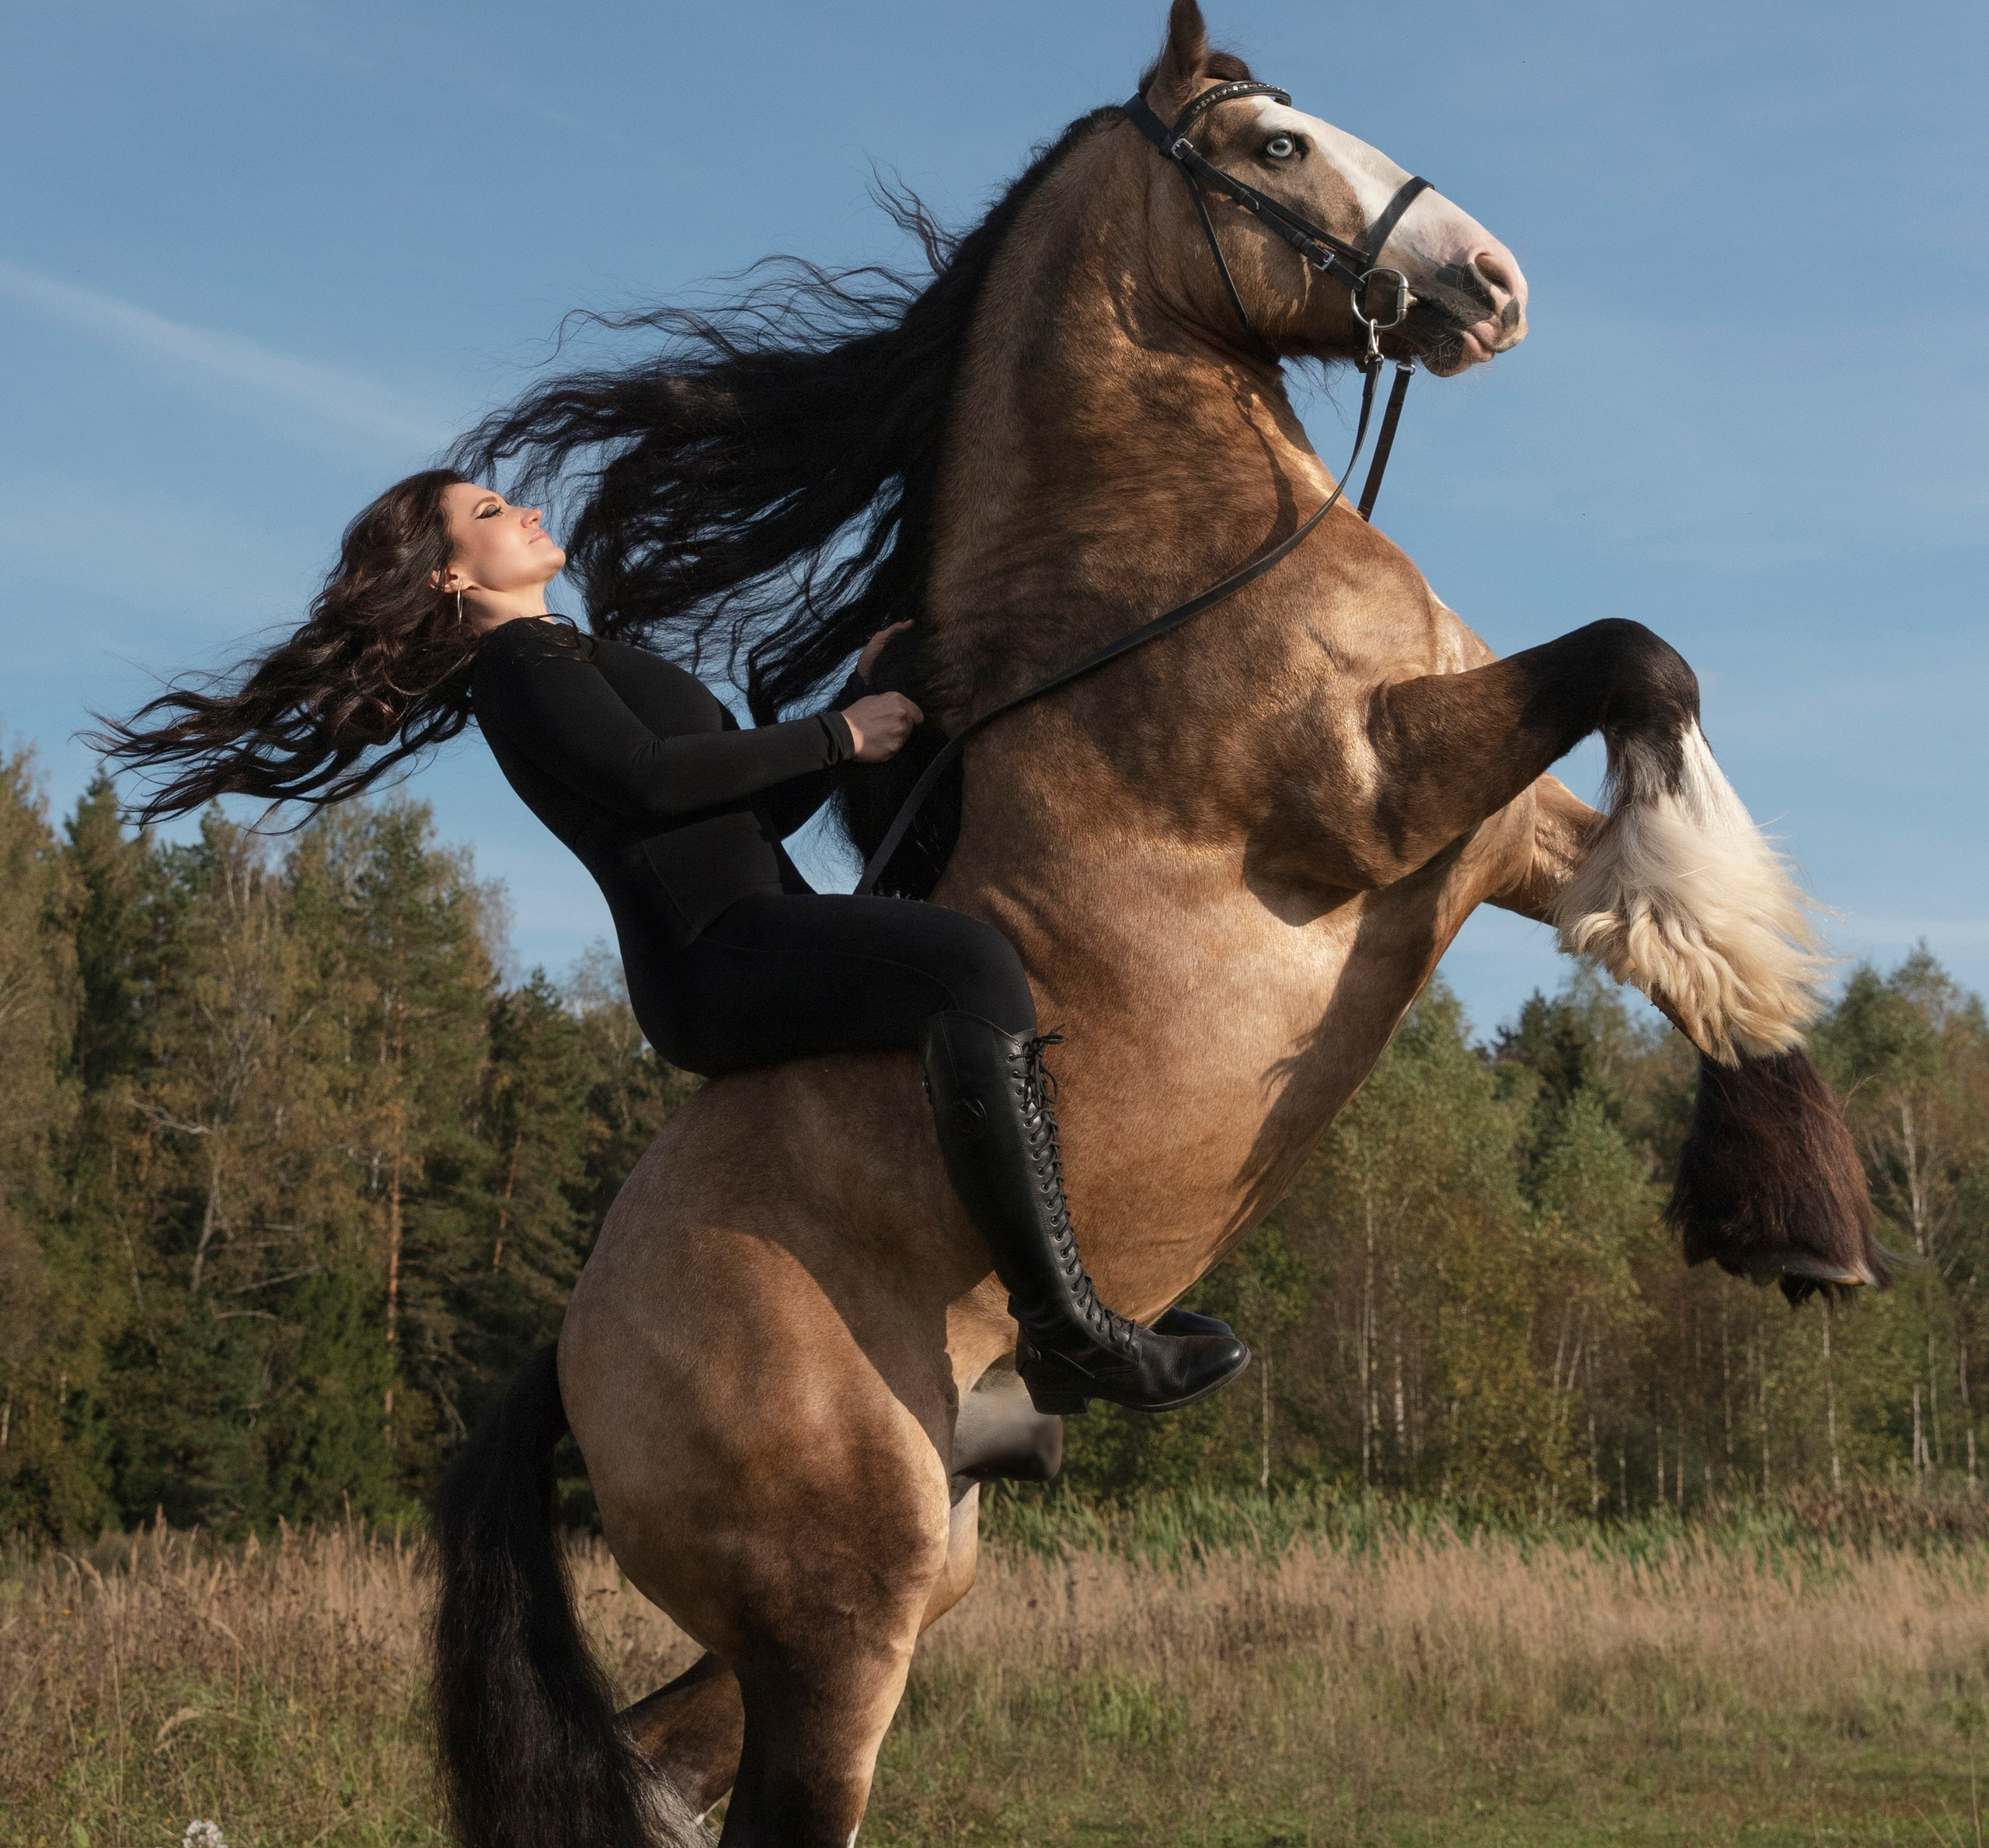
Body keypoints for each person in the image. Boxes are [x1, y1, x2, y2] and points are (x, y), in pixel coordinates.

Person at [100, 468, 1247, 1416]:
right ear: (451, 574)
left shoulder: (577, 657)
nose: (527, 511)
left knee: (971, 962)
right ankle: (1068, 1330)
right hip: (719, 956)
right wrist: (837, 733)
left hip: (750, 917)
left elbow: (737, 815)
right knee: (970, 963)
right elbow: (648, 784)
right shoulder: (519, 671)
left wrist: (850, 707)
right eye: (492, 514)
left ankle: (1007, 1336)